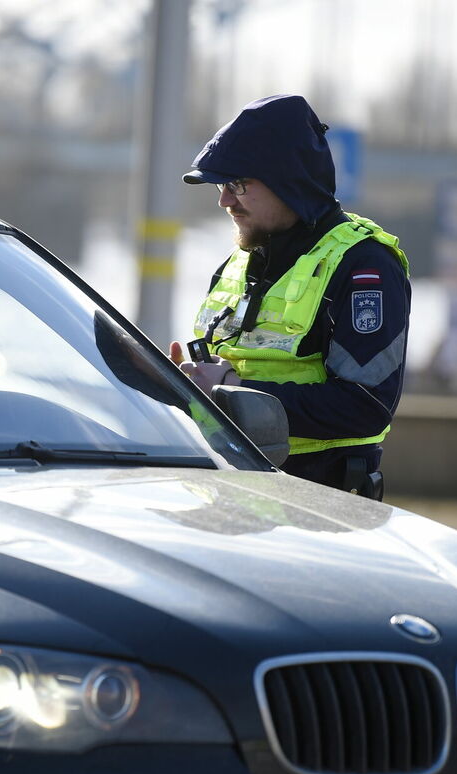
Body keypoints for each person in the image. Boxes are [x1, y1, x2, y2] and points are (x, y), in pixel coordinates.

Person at [171, 94, 410, 499]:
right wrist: (183, 383)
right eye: (222, 185)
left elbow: (365, 407)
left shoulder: (363, 265)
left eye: (237, 184)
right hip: (230, 500)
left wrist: (230, 386)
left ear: (289, 182)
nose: (224, 200)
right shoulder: (239, 263)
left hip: (319, 512)